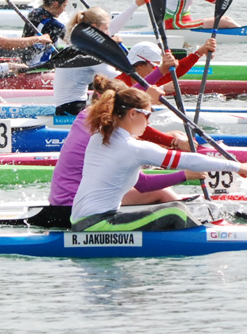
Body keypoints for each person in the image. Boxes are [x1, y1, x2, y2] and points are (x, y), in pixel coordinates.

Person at [70, 85, 247, 233]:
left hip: (81, 221)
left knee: (178, 209)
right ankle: (215, 236)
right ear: (133, 114)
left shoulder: (100, 137)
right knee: (175, 211)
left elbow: (143, 182)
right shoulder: (133, 147)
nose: (149, 122)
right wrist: (236, 167)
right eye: (148, 115)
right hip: (96, 225)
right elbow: (189, 161)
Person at [44, 76, 199, 224]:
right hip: (76, 207)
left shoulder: (87, 116)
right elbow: (143, 183)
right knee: (162, 192)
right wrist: (186, 174)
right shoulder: (111, 133)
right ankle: (191, 230)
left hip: (60, 201)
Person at [49, 0, 148, 115]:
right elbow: (119, 80)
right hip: (71, 110)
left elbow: (113, 27)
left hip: (72, 105)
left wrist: (136, 4)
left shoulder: (82, 42)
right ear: (95, 28)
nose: (109, 33)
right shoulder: (87, 52)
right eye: (106, 29)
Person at [116, 38, 217, 95]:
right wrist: (161, 88)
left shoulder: (149, 75)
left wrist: (199, 52)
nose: (157, 69)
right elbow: (128, 97)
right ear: (139, 66)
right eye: (153, 65)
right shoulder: (118, 84)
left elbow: (178, 70)